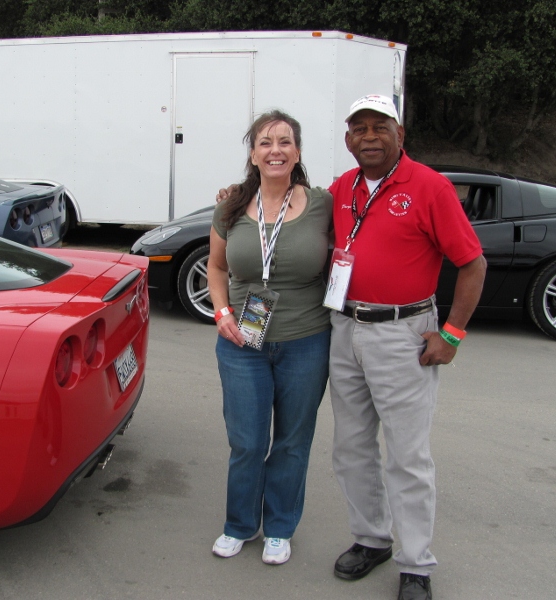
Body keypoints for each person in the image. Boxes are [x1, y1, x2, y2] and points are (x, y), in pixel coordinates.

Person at [327, 95, 486, 600]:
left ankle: (416, 564)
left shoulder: (429, 186)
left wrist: (452, 334)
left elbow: (473, 263)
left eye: (380, 127)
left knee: (407, 455)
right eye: (359, 129)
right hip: (345, 328)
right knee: (352, 447)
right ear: (348, 139)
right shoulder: (342, 187)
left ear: (400, 135)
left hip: (403, 334)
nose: (369, 136)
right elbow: (289, 208)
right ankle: (371, 539)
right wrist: (235, 194)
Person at [208, 110, 332, 566]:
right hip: (242, 341)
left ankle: (279, 527)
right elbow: (216, 266)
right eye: (265, 142)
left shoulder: (323, 204)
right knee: (247, 440)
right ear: (253, 153)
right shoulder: (230, 206)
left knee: (293, 441)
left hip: (307, 340)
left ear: (297, 152)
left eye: (284, 142)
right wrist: (222, 311)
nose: (275, 150)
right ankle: (240, 524)